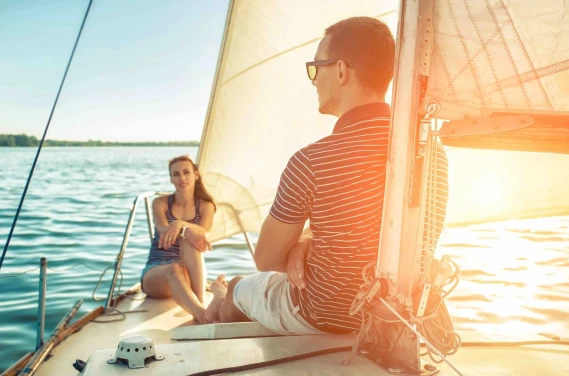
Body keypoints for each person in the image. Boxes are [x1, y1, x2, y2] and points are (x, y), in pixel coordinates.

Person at [204, 16, 449, 334]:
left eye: (315, 68)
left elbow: (265, 259)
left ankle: (221, 299)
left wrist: (300, 244)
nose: (313, 80)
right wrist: (309, 238)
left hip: (323, 318)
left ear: (341, 71)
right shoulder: (432, 153)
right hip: (402, 319)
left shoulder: (310, 161)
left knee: (240, 285)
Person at [141, 155, 216, 324]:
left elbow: (204, 233)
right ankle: (202, 315)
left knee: (190, 238)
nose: (182, 178)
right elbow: (162, 229)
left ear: (196, 175)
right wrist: (181, 228)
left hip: (189, 274)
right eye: (176, 174)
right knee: (174, 268)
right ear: (171, 179)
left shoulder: (205, 206)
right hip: (157, 272)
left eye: (186, 172)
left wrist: (181, 225)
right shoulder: (160, 203)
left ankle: (200, 302)